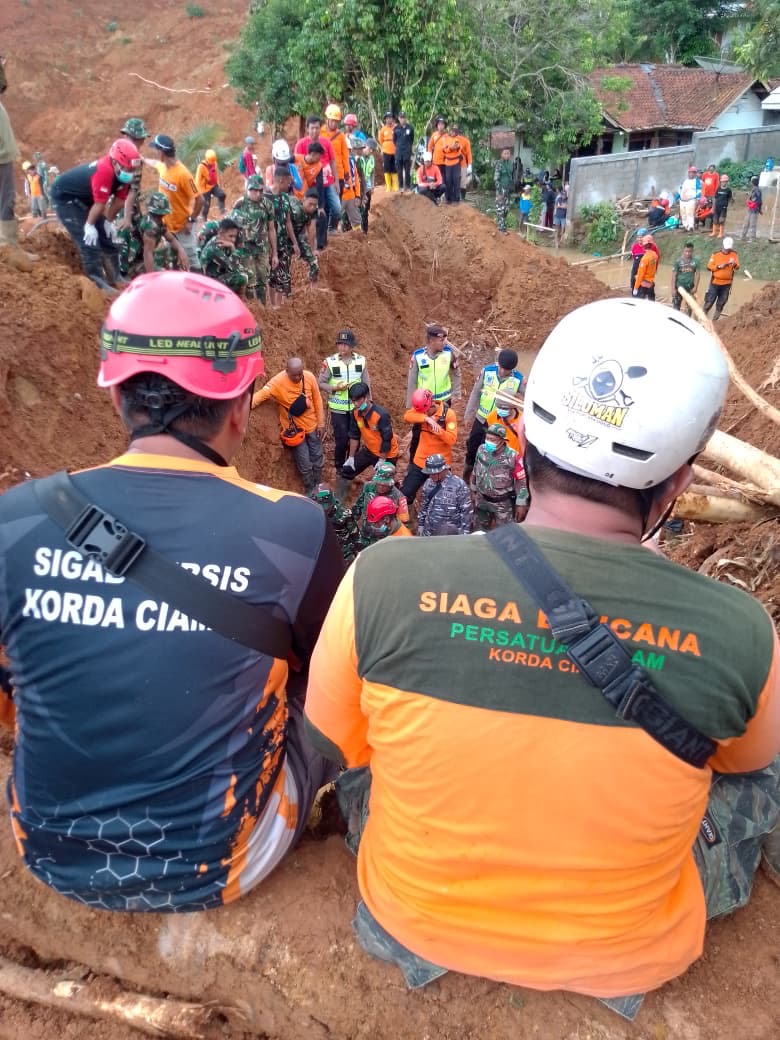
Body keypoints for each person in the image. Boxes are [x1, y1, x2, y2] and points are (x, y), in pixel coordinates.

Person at [305, 297, 779, 1017]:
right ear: (680, 485)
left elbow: (338, 747)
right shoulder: (743, 630)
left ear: (520, 436)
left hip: (411, 920)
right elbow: (744, 765)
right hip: (626, 954)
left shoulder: (380, 577)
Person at [0, 270, 345, 912]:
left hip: (49, 851)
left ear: (116, 395)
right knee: (326, 671)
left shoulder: (14, 519)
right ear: (240, 406)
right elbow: (330, 672)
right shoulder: (295, 529)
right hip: (221, 863)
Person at [50, 139, 141, 292]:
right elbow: (100, 204)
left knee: (107, 239)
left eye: (133, 169)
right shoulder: (104, 171)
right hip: (66, 198)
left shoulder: (123, 174)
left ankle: (116, 278)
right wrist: (89, 225)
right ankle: (97, 283)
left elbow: (119, 201)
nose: (130, 172)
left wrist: (108, 223)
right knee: (89, 241)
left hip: (88, 199)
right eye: (128, 168)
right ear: (115, 162)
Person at [252, 357, 325, 495]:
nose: (298, 377)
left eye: (300, 374)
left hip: (312, 425)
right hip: (294, 431)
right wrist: (244, 407)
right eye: (294, 375)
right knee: (304, 461)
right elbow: (261, 395)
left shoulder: (309, 377)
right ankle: (310, 489)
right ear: (287, 371)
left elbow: (317, 399)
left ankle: (319, 485)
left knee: (317, 456)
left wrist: (321, 423)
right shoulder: (277, 382)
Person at [463, 348, 523, 483]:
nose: (502, 371)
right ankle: (467, 476)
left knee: (492, 451)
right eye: (501, 368)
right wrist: (468, 414)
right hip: (482, 418)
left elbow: (526, 398)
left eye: (506, 370)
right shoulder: (487, 371)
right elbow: (475, 393)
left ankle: (485, 478)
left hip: (499, 423)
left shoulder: (518, 379)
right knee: (472, 447)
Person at [148, 133, 202, 272]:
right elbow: (155, 163)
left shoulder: (183, 174)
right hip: (168, 227)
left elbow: (200, 199)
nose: (156, 153)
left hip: (182, 226)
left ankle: (200, 282)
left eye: (156, 150)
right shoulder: (163, 167)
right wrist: (141, 159)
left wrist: (191, 220)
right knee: (174, 260)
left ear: (162, 152)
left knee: (192, 262)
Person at [318, 330, 371, 471]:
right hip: (338, 409)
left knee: (355, 438)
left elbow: (366, 383)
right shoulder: (330, 362)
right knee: (341, 440)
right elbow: (321, 383)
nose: (342, 347)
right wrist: (334, 388)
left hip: (356, 408)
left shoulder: (361, 361)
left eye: (346, 344)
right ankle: (339, 467)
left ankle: (351, 466)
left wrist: (368, 403)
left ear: (352, 346)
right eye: (340, 344)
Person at [338, 383, 399, 501]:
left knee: (383, 483)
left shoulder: (381, 415)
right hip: (369, 450)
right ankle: (340, 499)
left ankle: (386, 502)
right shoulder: (355, 413)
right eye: (353, 401)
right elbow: (354, 435)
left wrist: (382, 460)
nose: (356, 404)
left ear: (366, 397)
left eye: (358, 400)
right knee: (347, 470)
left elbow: (386, 439)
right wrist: (351, 457)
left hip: (387, 454)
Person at [400, 388, 458, 505]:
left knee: (442, 500)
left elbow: (452, 440)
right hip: (421, 462)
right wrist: (426, 419)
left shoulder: (449, 414)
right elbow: (407, 416)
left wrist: (438, 430)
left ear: (431, 405)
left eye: (426, 412)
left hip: (440, 465)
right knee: (405, 494)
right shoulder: (421, 409)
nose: (424, 413)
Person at [230, 173, 277, 304]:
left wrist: (275, 253)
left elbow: (271, 229)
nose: (257, 193)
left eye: (260, 190)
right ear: (248, 189)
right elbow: (231, 228)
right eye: (254, 190)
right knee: (250, 282)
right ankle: (253, 309)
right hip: (245, 249)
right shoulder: (240, 204)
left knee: (263, 280)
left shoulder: (267, 204)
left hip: (262, 249)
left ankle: (263, 308)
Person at [118, 191, 189, 278]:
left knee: (171, 250)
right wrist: (151, 278)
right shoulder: (150, 227)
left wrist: (181, 250)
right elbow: (147, 254)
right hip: (134, 261)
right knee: (163, 274)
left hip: (142, 257)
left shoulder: (157, 222)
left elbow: (171, 239)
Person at [470, 424, 527, 530]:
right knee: (479, 530)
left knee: (505, 533)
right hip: (482, 500)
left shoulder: (513, 456)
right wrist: (473, 489)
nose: (488, 442)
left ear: (502, 440)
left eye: (492, 440)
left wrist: (521, 503)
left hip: (502, 503)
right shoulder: (481, 449)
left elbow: (521, 482)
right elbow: (476, 468)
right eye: (487, 438)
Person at [295, 115, 340, 238]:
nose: (315, 131)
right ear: (307, 129)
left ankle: (332, 228)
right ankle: (310, 234)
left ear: (320, 128)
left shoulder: (326, 142)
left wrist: (336, 181)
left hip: (328, 181)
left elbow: (333, 162)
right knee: (312, 209)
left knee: (337, 207)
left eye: (317, 128)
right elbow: (296, 164)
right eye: (312, 128)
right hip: (310, 184)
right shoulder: (301, 144)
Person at [406, 324, 461, 410]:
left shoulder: (449, 353)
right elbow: (412, 382)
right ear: (431, 341)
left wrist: (456, 393)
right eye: (441, 340)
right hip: (424, 403)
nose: (444, 343)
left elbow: (456, 373)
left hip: (445, 401)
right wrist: (411, 405)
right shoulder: (418, 356)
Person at [416, 454, 472, 536]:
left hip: (449, 534)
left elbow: (466, 512)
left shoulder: (458, 485)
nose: (431, 476)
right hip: (429, 532)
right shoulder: (428, 483)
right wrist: (421, 525)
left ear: (444, 470)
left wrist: (464, 534)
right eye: (430, 473)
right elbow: (424, 506)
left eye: (434, 473)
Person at [267, 166, 299, 307]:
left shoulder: (286, 198)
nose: (289, 185)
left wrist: (295, 242)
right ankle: (273, 304)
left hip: (283, 244)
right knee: (271, 276)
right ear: (280, 180)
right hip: (269, 245)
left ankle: (278, 307)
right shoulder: (266, 198)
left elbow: (288, 222)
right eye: (288, 182)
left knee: (283, 275)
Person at [198, 217, 249, 295]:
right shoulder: (215, 247)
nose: (233, 240)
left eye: (235, 237)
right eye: (230, 236)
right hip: (208, 282)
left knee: (247, 273)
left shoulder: (222, 242)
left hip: (216, 275)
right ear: (221, 232)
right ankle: (229, 297)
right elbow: (234, 268)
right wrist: (233, 247)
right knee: (243, 277)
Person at [312, 485, 361, 564]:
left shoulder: (343, 514)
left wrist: (358, 553)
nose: (324, 510)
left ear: (332, 502)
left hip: (344, 552)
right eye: (320, 506)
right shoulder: (313, 512)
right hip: (323, 550)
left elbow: (355, 535)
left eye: (326, 507)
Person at [352, 461, 409, 528]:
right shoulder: (368, 486)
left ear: (391, 483)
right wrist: (354, 522)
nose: (380, 487)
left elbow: (403, 521)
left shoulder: (399, 497)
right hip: (366, 527)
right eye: (378, 483)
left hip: (385, 531)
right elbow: (358, 505)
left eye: (384, 485)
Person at [118, 117, 149, 227]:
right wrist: (127, 218)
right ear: (140, 139)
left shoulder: (116, 150)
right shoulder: (136, 160)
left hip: (111, 202)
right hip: (124, 206)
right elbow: (133, 190)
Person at [703, 236, 739, 321]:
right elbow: (709, 267)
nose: (727, 250)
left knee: (721, 303)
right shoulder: (716, 254)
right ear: (723, 245)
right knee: (709, 301)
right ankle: (703, 317)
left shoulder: (734, 254)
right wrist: (719, 266)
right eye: (726, 248)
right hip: (715, 283)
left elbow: (737, 267)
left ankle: (715, 321)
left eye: (729, 248)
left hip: (727, 284)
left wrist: (734, 264)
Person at [195, 148, 227, 221]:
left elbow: (216, 174)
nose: (212, 163)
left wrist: (218, 184)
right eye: (211, 161)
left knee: (222, 194)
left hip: (213, 185)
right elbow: (197, 180)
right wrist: (198, 192)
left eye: (213, 161)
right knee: (206, 205)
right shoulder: (201, 167)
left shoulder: (215, 163)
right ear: (207, 159)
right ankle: (204, 218)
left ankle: (222, 209)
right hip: (204, 189)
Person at [671, 242, 700, 314]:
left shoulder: (696, 261)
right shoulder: (678, 261)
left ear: (692, 251)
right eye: (686, 251)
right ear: (683, 250)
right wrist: (673, 289)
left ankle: (687, 318)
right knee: (676, 306)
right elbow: (674, 275)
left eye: (689, 251)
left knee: (690, 307)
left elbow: (697, 274)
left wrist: (695, 287)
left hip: (690, 288)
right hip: (679, 287)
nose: (687, 253)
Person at [393, 112, 415, 194]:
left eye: (404, 117)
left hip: (407, 152)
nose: (403, 119)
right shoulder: (396, 128)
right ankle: (401, 187)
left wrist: (408, 147)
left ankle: (408, 187)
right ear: (399, 118)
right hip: (399, 152)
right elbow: (394, 140)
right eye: (401, 118)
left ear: (406, 118)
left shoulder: (410, 128)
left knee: (407, 170)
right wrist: (399, 146)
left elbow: (412, 139)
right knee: (399, 171)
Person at [357, 139, 376, 234]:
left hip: (367, 188)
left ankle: (364, 232)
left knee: (365, 211)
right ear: (366, 146)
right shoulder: (358, 157)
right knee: (358, 209)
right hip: (359, 187)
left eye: (372, 150)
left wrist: (372, 186)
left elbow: (372, 173)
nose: (371, 151)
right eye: (370, 148)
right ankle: (356, 230)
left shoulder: (372, 158)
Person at [441, 125, 463, 205]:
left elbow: (458, 147)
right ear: (450, 131)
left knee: (456, 180)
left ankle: (456, 199)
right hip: (447, 163)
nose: (453, 132)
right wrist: (450, 148)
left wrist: (451, 147)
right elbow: (444, 150)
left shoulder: (458, 139)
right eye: (452, 130)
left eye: (455, 131)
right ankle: (448, 198)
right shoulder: (445, 138)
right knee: (448, 181)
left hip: (456, 162)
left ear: (457, 132)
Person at [633, 233, 658, 300]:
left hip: (644, 285)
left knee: (640, 301)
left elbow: (640, 275)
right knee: (651, 300)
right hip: (651, 282)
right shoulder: (655, 255)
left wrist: (635, 287)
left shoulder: (645, 259)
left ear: (644, 245)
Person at [494, 148, 513, 232]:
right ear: (501, 154)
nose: (507, 155)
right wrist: (499, 191)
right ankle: (500, 227)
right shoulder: (499, 164)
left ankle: (504, 226)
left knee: (506, 209)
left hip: (508, 190)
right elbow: (496, 179)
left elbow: (511, 176)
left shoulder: (510, 164)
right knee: (500, 209)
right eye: (505, 153)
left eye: (508, 153)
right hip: (501, 189)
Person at [378, 112, 397, 192]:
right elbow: (380, 140)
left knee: (394, 168)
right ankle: (388, 186)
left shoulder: (396, 128)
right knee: (387, 168)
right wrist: (385, 146)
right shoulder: (383, 129)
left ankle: (395, 186)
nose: (389, 119)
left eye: (390, 118)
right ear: (385, 119)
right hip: (386, 151)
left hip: (395, 151)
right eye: (388, 118)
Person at [678, 165, 700, 232]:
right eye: (690, 172)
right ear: (688, 173)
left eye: (693, 172)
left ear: (695, 174)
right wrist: (676, 198)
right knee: (683, 214)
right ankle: (685, 226)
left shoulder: (696, 181)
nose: (691, 174)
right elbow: (680, 190)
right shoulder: (685, 181)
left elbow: (699, 190)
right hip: (682, 200)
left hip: (691, 200)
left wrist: (698, 199)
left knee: (689, 214)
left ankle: (690, 227)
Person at [740, 176, 762, 242]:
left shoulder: (757, 190)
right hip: (751, 209)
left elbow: (759, 201)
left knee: (752, 224)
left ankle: (752, 238)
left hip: (754, 209)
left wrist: (758, 208)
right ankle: (743, 237)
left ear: (752, 182)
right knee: (747, 223)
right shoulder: (754, 189)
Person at [454, 126, 472, 201]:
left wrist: (469, 165)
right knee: (455, 180)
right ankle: (456, 197)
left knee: (463, 182)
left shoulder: (465, 141)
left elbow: (468, 153)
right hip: (453, 163)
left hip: (462, 163)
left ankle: (462, 198)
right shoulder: (451, 139)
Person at [711, 173, 732, 238]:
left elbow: (730, 199)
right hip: (717, 207)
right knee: (715, 219)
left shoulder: (728, 190)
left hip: (723, 207)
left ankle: (721, 233)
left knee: (721, 220)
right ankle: (714, 232)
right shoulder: (718, 189)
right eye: (723, 181)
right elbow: (715, 198)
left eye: (725, 181)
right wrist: (713, 207)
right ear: (721, 182)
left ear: (727, 182)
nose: (724, 183)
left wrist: (728, 205)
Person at [428, 115, 447, 185]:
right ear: (437, 126)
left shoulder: (447, 135)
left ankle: (445, 192)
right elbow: (429, 147)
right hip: (435, 161)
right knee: (435, 179)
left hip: (445, 162)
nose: (441, 126)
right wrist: (430, 158)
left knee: (444, 180)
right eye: (439, 124)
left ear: (444, 126)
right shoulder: (434, 135)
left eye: (442, 124)